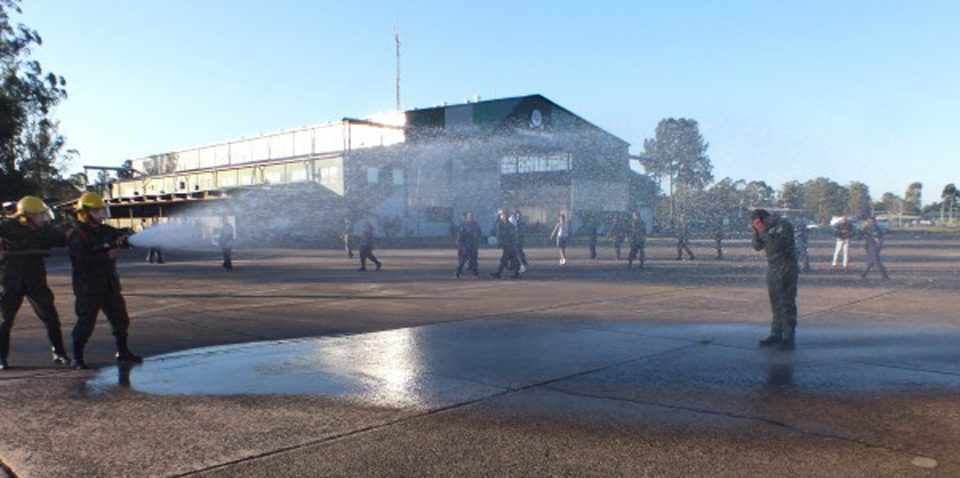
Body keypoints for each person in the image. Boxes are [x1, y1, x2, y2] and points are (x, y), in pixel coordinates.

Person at [68, 192, 143, 369]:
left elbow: (119, 238)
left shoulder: (106, 230)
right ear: (86, 213)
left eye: (102, 209)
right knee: (85, 324)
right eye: (97, 210)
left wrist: (126, 239)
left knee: (121, 320)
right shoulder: (77, 234)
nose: (102, 212)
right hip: (88, 287)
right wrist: (106, 255)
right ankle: (77, 358)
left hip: (109, 285)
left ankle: (123, 352)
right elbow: (79, 261)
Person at [0, 196, 70, 370]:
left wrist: (73, 231)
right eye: (39, 215)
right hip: (10, 281)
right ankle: (1, 358)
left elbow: (65, 238)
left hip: (36, 281)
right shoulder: (6, 227)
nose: (43, 218)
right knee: (4, 321)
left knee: (51, 319)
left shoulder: (44, 231)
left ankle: (59, 353)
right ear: (26, 216)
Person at [751, 209, 799, 351]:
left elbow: (776, 245)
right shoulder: (765, 228)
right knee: (776, 302)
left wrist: (762, 231)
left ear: (766, 218)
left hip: (787, 267)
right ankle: (776, 333)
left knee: (786, 302)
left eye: (760, 223)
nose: (760, 226)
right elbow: (757, 246)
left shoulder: (784, 225)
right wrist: (756, 231)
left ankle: (788, 337)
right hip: (773, 268)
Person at [491, 210, 520, 279]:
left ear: (506, 216)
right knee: (512, 259)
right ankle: (516, 273)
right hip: (507, 244)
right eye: (501, 215)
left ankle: (499, 273)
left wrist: (508, 243)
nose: (501, 216)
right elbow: (499, 235)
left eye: (503, 215)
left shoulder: (509, 225)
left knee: (506, 259)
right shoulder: (500, 224)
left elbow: (512, 235)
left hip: (510, 245)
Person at [456, 212, 481, 278]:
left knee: (474, 261)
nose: (471, 217)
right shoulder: (463, 225)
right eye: (469, 216)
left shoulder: (476, 225)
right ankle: (458, 273)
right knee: (462, 261)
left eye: (472, 216)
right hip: (465, 246)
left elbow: (479, 234)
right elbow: (460, 236)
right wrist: (460, 246)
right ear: (467, 217)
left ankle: (475, 274)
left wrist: (477, 243)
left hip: (473, 246)